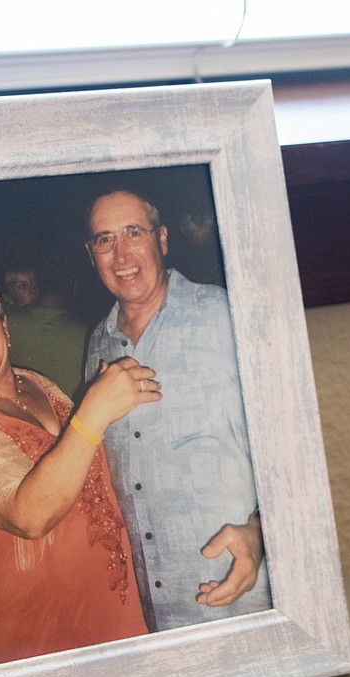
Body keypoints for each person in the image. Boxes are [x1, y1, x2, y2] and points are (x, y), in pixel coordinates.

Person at [0, 268, 161, 665]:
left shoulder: (36, 383)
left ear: (4, 324)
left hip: (110, 600)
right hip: (42, 629)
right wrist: (95, 409)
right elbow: (28, 515)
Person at [82, 189, 271, 632]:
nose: (121, 253)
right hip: (154, 617)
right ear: (91, 254)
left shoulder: (225, 314)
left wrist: (263, 533)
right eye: (104, 239)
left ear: (162, 240)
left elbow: (293, 445)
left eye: (134, 233)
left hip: (244, 604)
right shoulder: (97, 346)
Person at [1, 264, 89, 398]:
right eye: (23, 286)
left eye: (34, 285)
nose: (32, 290)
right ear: (7, 295)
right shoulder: (4, 321)